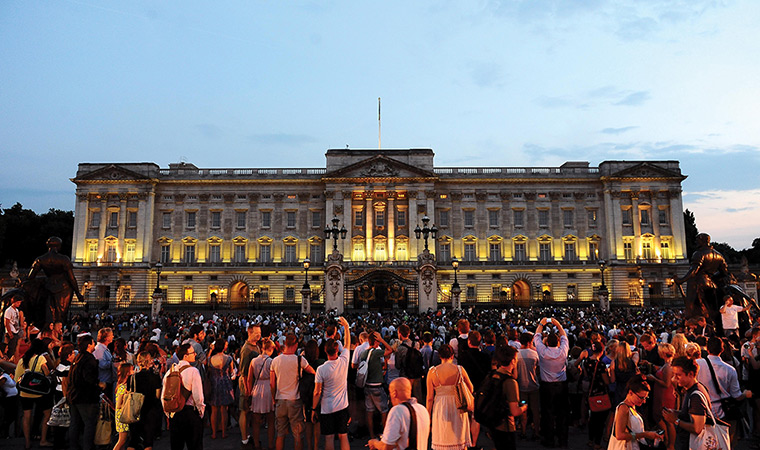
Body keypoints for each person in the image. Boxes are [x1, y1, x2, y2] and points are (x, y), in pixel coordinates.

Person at [695, 336, 752, 442]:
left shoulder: (698, 365)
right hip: (723, 412)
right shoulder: (730, 370)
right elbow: (737, 395)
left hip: (702, 411)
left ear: (707, 349)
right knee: (725, 442)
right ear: (722, 349)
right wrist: (745, 394)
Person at [675, 232, 731, 333]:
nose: (696, 242)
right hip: (712, 284)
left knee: (693, 308)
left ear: (702, 241)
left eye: (698, 240)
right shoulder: (718, 255)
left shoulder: (699, 254)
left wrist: (681, 280)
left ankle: (697, 327)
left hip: (698, 283)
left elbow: (693, 271)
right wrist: (713, 277)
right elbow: (725, 272)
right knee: (712, 310)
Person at [270, 333, 316, 450]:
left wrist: (273, 398)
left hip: (280, 399)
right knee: (298, 434)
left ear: (284, 344)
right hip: (295, 400)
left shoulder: (275, 361)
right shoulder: (300, 360)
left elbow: (272, 383)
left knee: (280, 434)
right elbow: (313, 372)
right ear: (295, 345)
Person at [26, 236, 84, 326]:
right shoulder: (64, 259)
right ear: (59, 246)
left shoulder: (40, 259)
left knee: (47, 310)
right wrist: (78, 293)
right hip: (64, 288)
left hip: (48, 286)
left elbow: (30, 276)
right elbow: (72, 278)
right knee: (61, 314)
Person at [312, 316, 351, 450]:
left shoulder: (321, 369)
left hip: (327, 407)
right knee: (343, 436)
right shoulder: (344, 361)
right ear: (336, 350)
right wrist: (346, 327)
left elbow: (317, 392)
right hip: (342, 406)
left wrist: (313, 409)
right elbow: (347, 343)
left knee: (329, 437)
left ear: (325, 351)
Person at [426, 343, 472, 450]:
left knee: (442, 438)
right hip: (458, 405)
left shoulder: (432, 372)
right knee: (459, 439)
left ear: (440, 356)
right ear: (452, 356)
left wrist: (428, 416)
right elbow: (471, 387)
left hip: (440, 407)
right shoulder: (460, 369)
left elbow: (429, 398)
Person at [533, 317, 570, 448]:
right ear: (558, 342)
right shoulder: (563, 351)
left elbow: (536, 336)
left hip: (547, 386)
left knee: (547, 414)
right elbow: (565, 336)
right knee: (562, 414)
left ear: (547, 343)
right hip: (561, 385)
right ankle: (562, 440)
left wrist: (542, 322)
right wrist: (558, 324)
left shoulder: (542, 352)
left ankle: (549, 440)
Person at [161, 343, 205, 450]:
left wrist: (168, 413)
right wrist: (201, 411)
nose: (195, 354)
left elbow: (164, 396)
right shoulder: (193, 371)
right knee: (194, 445)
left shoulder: (170, 372)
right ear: (185, 356)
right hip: (190, 413)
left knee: (176, 446)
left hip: (175, 413)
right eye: (193, 353)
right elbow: (198, 396)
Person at [662, 356, 711, 450]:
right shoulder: (692, 389)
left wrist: (675, 420)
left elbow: (697, 428)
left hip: (691, 445)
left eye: (678, 375)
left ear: (691, 374)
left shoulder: (695, 396)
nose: (674, 378)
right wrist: (678, 413)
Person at [367, 377, 430, 450]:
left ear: (394, 393)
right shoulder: (423, 409)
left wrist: (374, 443)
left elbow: (386, 446)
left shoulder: (397, 411)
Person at [15, 338, 53, 449]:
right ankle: (43, 440)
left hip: (25, 393)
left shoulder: (23, 360)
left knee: (26, 416)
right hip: (39, 392)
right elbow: (47, 374)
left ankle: (27, 442)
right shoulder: (40, 358)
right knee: (47, 414)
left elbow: (17, 377)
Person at [486, 345, 527, 450]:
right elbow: (514, 411)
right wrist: (524, 407)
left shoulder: (492, 375)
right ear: (513, 360)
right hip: (506, 425)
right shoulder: (510, 382)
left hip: (493, 422)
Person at [608, 377, 663, 450]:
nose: (644, 401)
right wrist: (644, 434)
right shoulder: (624, 408)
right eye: (641, 398)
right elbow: (620, 435)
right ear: (630, 392)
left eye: (646, 398)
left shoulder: (632, 406)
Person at [68, 334, 101, 450]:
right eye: (93, 343)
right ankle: (88, 447)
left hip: (74, 395)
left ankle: (73, 446)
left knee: (75, 423)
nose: (94, 345)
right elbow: (89, 379)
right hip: (86, 397)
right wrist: (98, 385)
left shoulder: (77, 358)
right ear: (89, 345)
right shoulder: (88, 359)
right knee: (89, 423)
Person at [359, 331, 393, 440]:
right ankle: (385, 434)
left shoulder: (364, 353)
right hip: (377, 385)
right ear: (376, 342)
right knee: (384, 410)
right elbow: (390, 350)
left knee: (369, 411)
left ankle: (372, 435)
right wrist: (382, 340)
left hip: (367, 385)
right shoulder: (376, 352)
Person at [580, 341, 610, 450]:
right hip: (600, 392)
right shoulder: (601, 364)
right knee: (600, 420)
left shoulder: (586, 362)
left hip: (591, 392)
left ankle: (590, 440)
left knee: (592, 418)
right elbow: (606, 381)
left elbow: (586, 375)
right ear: (602, 351)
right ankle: (597, 443)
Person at [129, 351, 163, 450]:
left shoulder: (132, 378)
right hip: (150, 409)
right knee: (148, 441)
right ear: (149, 362)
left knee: (133, 440)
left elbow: (129, 393)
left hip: (135, 409)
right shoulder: (155, 377)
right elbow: (157, 395)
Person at [647, 344, 676, 450]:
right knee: (660, 416)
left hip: (665, 394)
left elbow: (667, 384)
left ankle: (670, 443)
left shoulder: (668, 366)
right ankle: (667, 439)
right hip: (661, 394)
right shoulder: (667, 365)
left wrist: (654, 379)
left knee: (668, 420)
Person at [248, 339, 275, 450]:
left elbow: (250, 378)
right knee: (271, 420)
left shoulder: (254, 361)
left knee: (256, 420)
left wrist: (249, 392)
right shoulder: (271, 361)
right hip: (268, 388)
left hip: (257, 387)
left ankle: (257, 444)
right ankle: (270, 445)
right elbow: (274, 380)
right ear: (271, 349)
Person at [239, 323, 261, 450]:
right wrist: (247, 389)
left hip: (254, 382)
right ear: (249, 333)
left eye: (259, 333)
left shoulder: (256, 346)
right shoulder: (246, 349)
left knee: (249, 410)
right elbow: (244, 371)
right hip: (247, 382)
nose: (259, 335)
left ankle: (248, 434)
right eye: (256, 333)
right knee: (244, 410)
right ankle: (244, 438)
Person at [207, 338, 234, 439]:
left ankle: (214, 433)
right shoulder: (229, 358)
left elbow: (208, 368)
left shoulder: (211, 359)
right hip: (225, 382)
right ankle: (223, 432)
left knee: (214, 410)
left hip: (214, 382)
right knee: (224, 410)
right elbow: (231, 371)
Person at [302, 339, 325, 450]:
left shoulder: (303, 362)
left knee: (307, 421)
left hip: (306, 394)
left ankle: (310, 446)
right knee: (317, 422)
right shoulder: (321, 362)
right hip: (317, 393)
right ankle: (316, 446)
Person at [517, 331, 540, 439]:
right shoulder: (534, 354)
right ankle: (536, 432)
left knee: (523, 410)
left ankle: (523, 431)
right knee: (535, 410)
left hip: (521, 387)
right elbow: (539, 369)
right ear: (529, 342)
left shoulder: (516, 354)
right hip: (534, 386)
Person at [113, 363, 134, 450]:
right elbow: (118, 405)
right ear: (127, 373)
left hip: (122, 415)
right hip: (122, 416)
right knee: (122, 440)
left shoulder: (121, 385)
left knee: (123, 440)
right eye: (132, 370)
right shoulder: (123, 387)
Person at [92, 327, 114, 399]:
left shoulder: (105, 348)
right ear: (106, 338)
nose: (113, 336)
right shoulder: (99, 349)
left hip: (108, 379)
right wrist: (113, 363)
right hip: (104, 381)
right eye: (111, 335)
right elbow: (102, 364)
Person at [3, 294, 23, 358]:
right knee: (10, 349)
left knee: (14, 348)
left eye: (20, 302)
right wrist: (10, 333)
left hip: (16, 331)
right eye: (18, 302)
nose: (19, 304)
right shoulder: (9, 310)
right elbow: (6, 322)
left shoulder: (16, 310)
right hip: (11, 331)